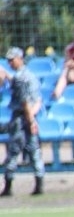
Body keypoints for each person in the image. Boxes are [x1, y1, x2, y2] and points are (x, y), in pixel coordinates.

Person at [0, 47, 46, 197]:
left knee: (13, 152)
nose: (10, 63)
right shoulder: (31, 76)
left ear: (20, 58)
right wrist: (33, 118)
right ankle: (39, 184)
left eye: (12, 60)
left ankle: (8, 186)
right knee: (34, 151)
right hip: (31, 115)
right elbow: (38, 100)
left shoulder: (20, 78)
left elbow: (25, 102)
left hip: (21, 118)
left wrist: (30, 121)